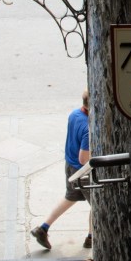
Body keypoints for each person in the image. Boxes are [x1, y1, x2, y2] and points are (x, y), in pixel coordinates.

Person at [31, 89, 92, 250]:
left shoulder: (74, 115)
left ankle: (43, 228)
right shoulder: (87, 128)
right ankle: (91, 238)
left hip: (70, 166)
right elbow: (84, 159)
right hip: (82, 172)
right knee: (98, 206)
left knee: (70, 198)